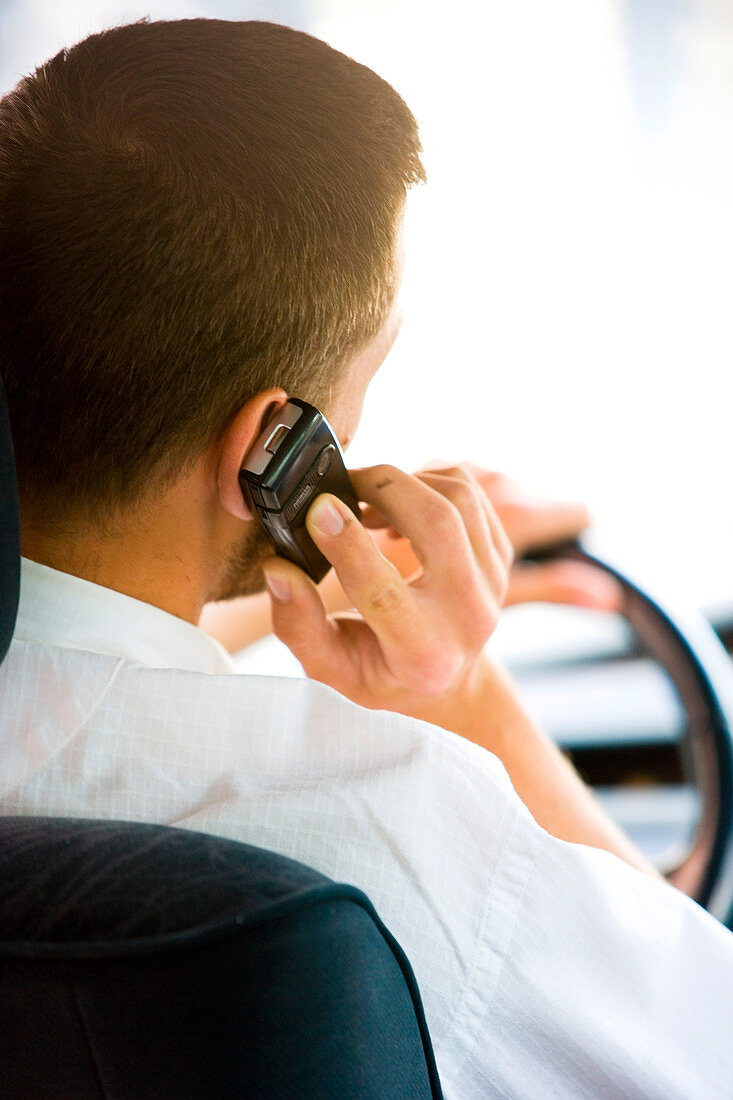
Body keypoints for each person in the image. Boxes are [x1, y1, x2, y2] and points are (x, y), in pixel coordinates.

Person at [0, 18, 731, 1098]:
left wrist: (245, 607)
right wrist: (466, 693)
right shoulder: (392, 818)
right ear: (269, 450)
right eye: (368, 367)